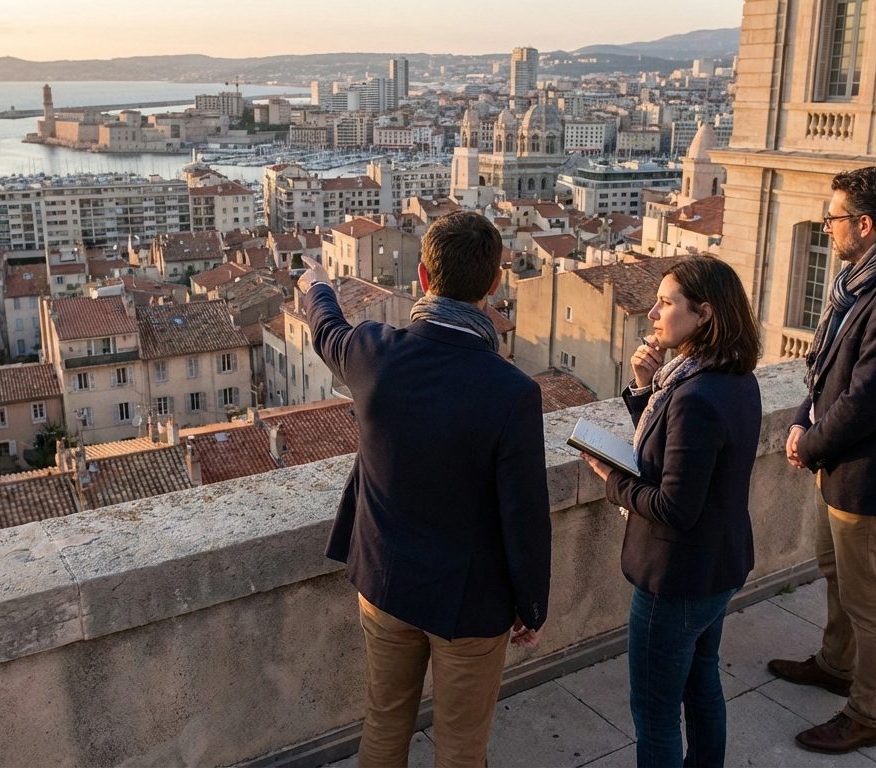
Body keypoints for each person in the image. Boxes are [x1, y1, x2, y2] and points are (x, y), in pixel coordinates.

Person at [298, 211, 551, 767]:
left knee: (385, 721)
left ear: (422, 277)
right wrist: (531, 604)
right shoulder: (511, 391)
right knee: (461, 746)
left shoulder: (373, 355)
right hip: (471, 601)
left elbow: (326, 330)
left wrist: (317, 285)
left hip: (385, 582)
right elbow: (526, 513)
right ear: (493, 284)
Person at [769, 166, 876, 754]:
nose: (828, 226)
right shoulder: (866, 279)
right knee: (835, 570)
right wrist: (800, 420)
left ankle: (867, 715)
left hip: (871, 474)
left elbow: (868, 399)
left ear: (865, 224)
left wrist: (807, 444)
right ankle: (837, 664)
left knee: (870, 598)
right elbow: (830, 367)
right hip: (841, 464)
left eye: (834, 217)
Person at [581, 256, 762, 768]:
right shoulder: (730, 378)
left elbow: (673, 506)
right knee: (702, 684)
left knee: (655, 713)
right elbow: (678, 453)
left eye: (666, 302)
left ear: (703, 313)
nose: (653, 311)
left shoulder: (695, 395)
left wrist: (610, 479)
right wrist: (645, 389)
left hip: (676, 576)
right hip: (716, 565)